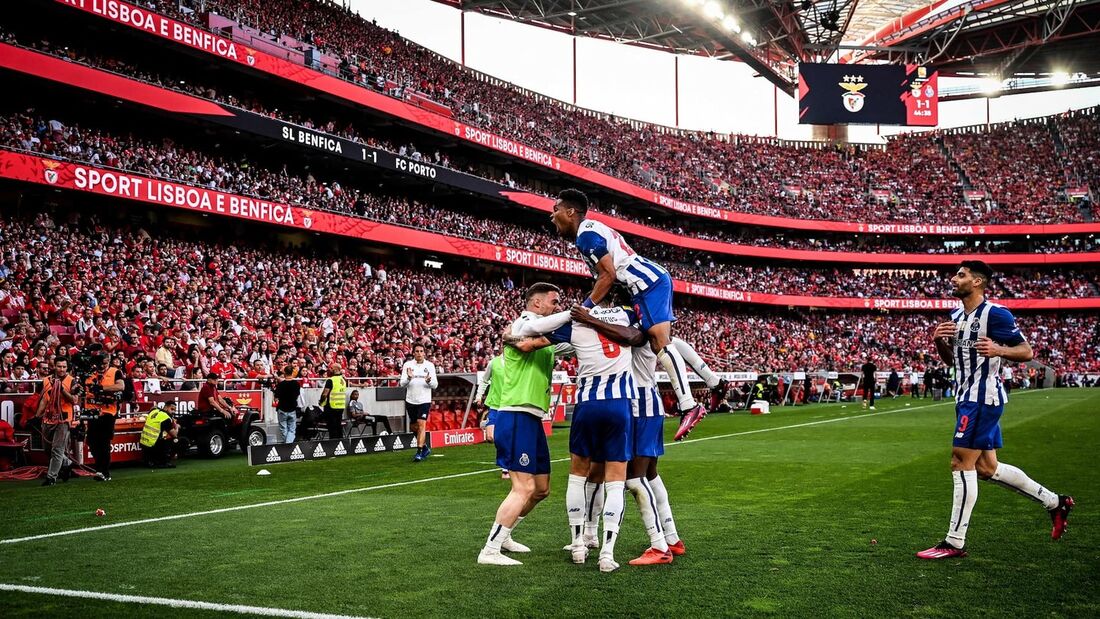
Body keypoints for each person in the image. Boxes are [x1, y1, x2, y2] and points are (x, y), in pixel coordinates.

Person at [917, 260, 1074, 560]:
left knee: (959, 461)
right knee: (986, 468)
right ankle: (1056, 503)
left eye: (961, 275)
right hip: (965, 396)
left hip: (982, 399)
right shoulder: (955, 316)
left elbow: (1026, 351)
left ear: (977, 282)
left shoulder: (996, 314)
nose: (954, 278)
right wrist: (939, 343)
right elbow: (953, 362)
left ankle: (954, 542)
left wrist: (999, 350)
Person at [550, 189, 729, 441]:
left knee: (660, 344)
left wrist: (587, 308)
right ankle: (714, 382)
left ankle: (689, 405)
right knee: (664, 343)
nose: (552, 215)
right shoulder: (590, 231)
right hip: (645, 282)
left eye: (555, 209)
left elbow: (608, 275)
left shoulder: (586, 234)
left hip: (644, 284)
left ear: (570, 212)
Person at [510, 292, 647, 572]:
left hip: (586, 404)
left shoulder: (575, 322)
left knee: (577, 476)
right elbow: (643, 336)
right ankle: (607, 553)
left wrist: (509, 338)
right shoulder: (628, 315)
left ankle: (578, 545)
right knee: (615, 481)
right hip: (619, 404)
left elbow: (528, 341)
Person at [568, 287, 684, 566]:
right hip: (635, 405)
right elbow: (683, 352)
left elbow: (633, 337)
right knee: (639, 474)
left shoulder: (635, 326)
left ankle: (659, 545)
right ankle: (669, 538)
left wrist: (586, 319)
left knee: (632, 478)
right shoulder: (642, 325)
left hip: (637, 405)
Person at [476, 283, 563, 566]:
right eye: (554, 301)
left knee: (541, 489)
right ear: (537, 304)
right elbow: (550, 331)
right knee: (522, 487)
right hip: (515, 414)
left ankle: (506, 535)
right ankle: (490, 550)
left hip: (533, 416)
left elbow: (566, 342)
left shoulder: (542, 331)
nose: (557, 306)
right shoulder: (525, 322)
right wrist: (576, 316)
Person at [84, 351, 125, 481]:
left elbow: (121, 386)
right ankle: (99, 468)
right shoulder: (90, 372)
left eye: (105, 363)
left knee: (104, 442)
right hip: (92, 410)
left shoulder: (115, 371)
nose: (102, 366)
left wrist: (102, 389)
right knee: (91, 441)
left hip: (108, 412)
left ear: (108, 361)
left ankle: (104, 471)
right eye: (100, 363)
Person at [37, 357, 78, 486]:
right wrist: (37, 415)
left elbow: (74, 400)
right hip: (48, 417)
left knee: (57, 449)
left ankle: (51, 478)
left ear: (67, 368)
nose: (61, 369)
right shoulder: (46, 380)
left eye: (64, 367)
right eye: (59, 366)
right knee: (47, 448)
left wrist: (62, 390)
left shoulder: (72, 381)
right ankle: (66, 463)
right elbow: (44, 399)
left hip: (64, 419)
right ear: (54, 366)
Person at [400, 344, 438, 462]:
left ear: (424, 353)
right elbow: (402, 384)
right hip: (411, 400)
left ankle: (419, 452)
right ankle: (425, 447)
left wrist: (429, 381)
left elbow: (435, 385)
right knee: (413, 427)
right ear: (413, 353)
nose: (419, 353)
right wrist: (409, 378)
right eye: (417, 351)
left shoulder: (430, 365)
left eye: (421, 351)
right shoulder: (408, 365)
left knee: (422, 425)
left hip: (424, 400)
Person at [475, 353, 508, 479]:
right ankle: (507, 460)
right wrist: (479, 396)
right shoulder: (494, 363)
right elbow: (484, 380)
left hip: (510, 406)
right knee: (490, 437)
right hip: (494, 405)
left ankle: (505, 467)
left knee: (506, 436)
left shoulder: (518, 361)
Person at [140, 401, 178, 468]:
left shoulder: (154, 411)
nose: (173, 412)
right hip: (152, 444)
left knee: (162, 435)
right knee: (174, 439)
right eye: (172, 409)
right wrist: (176, 426)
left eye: (174, 410)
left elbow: (153, 408)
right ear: (165, 407)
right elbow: (174, 434)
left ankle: (150, 461)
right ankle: (164, 462)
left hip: (143, 443)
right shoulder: (165, 418)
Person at [318, 362, 348, 439]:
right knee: (338, 426)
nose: (329, 369)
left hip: (331, 406)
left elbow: (325, 394)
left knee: (332, 427)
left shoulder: (331, 380)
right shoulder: (343, 380)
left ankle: (332, 445)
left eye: (331, 368)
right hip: (340, 406)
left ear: (335, 369)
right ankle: (340, 444)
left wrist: (321, 401)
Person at [273, 365, 300, 443]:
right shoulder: (296, 384)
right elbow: (297, 395)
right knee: (292, 429)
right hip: (292, 408)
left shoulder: (281, 385)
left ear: (284, 373)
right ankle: (289, 443)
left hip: (282, 408)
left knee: (283, 428)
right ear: (292, 372)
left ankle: (287, 444)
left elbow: (276, 398)